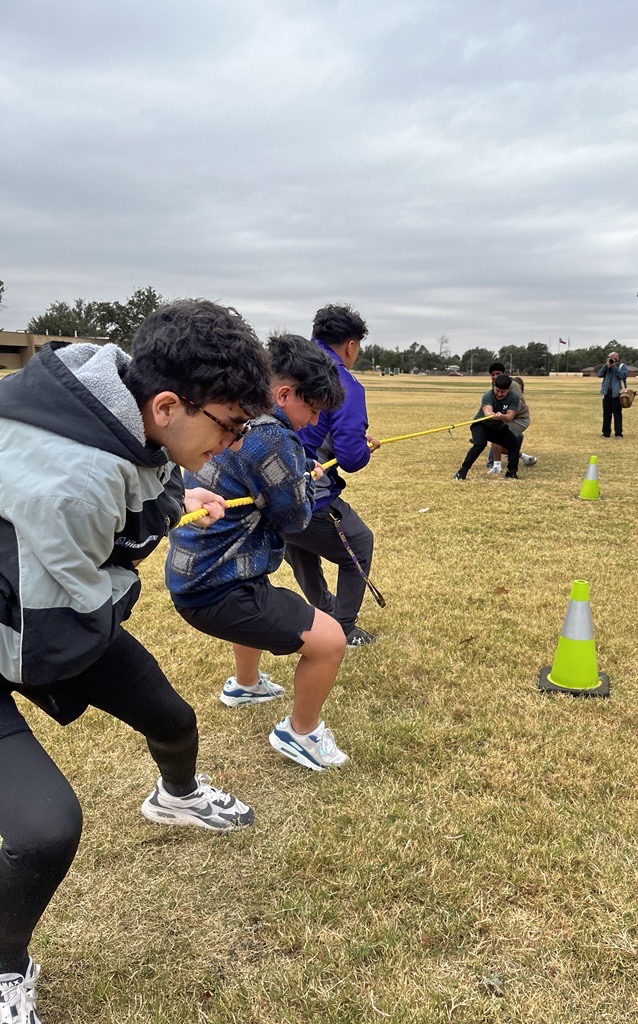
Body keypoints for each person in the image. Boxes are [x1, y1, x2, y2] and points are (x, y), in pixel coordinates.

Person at [0, 299, 273, 1023]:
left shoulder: (103, 398)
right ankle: (3, 968)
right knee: (44, 828)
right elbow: (65, 632)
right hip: (29, 622)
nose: (233, 444)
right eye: (231, 428)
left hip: (42, 597)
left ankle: (175, 797)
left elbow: (142, 476)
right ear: (167, 403)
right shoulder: (76, 483)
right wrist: (143, 546)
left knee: (172, 718)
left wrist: (186, 492)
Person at [166, 334, 351, 773]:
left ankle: (245, 684)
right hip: (216, 587)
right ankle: (300, 732)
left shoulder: (234, 418)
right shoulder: (273, 438)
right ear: (284, 394)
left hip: (197, 574)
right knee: (329, 642)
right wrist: (305, 479)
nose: (315, 420)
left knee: (258, 587)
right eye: (315, 408)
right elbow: (295, 517)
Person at [283, 304, 380, 648]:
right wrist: (365, 447)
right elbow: (352, 458)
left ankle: (322, 611)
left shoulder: (285, 370)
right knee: (360, 542)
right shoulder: (345, 383)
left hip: (268, 487)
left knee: (296, 538)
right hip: (310, 488)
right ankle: (342, 627)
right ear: (351, 345)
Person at [454, 373, 525, 481]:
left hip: (498, 427)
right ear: (493, 387)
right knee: (480, 444)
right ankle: (462, 472)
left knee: (514, 443)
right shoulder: (488, 395)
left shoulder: (514, 398)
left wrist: (502, 416)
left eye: (503, 392)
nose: (500, 394)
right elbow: (487, 412)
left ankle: (511, 473)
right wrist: (492, 415)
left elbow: (510, 417)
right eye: (497, 390)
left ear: (509, 390)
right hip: (481, 425)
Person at [485, 362, 536, 471]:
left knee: (497, 435)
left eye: (498, 374)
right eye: (492, 375)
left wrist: (504, 414)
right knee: (498, 436)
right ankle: (524, 457)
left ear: (504, 373)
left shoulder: (513, 385)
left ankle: (494, 465)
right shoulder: (495, 385)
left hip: (519, 419)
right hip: (505, 417)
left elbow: (518, 404)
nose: (495, 377)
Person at [598, 350, 628, 438]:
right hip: (606, 393)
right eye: (610, 358)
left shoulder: (622, 366)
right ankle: (606, 433)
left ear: (617, 358)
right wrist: (606, 365)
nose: (612, 360)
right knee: (606, 414)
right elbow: (599, 374)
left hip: (617, 394)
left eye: (613, 358)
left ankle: (618, 434)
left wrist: (614, 367)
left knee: (617, 414)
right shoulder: (607, 367)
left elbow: (622, 376)